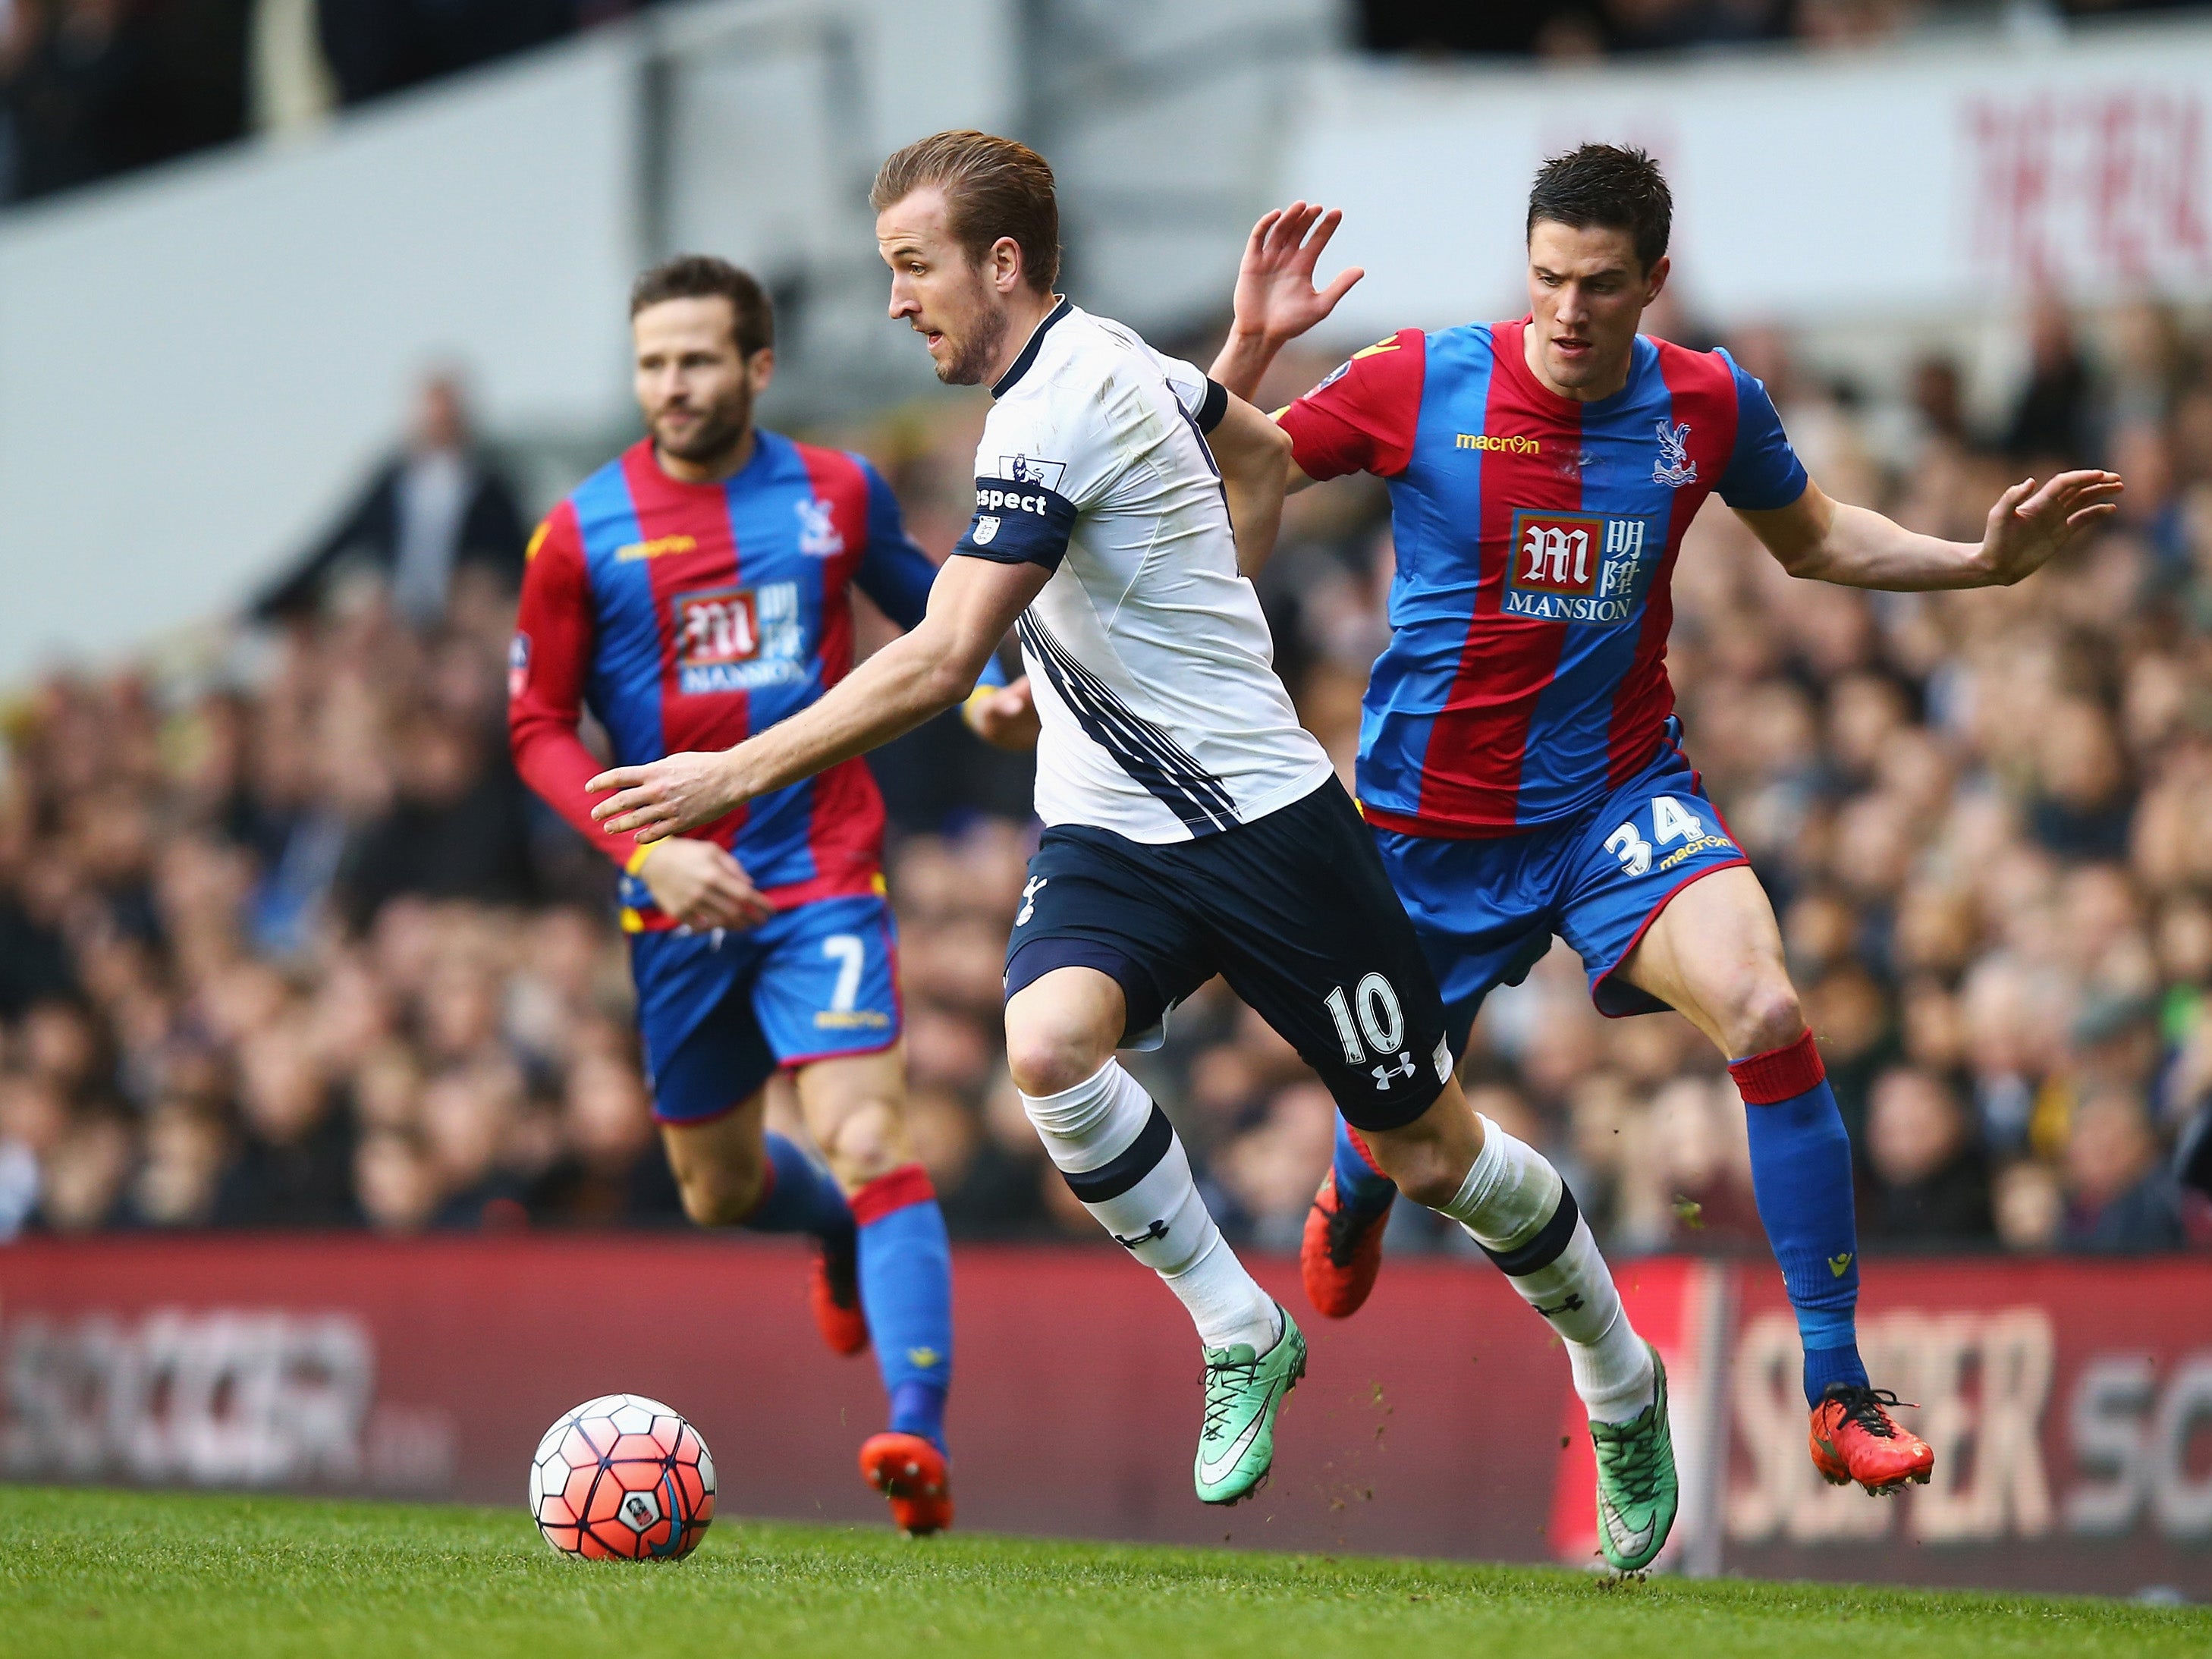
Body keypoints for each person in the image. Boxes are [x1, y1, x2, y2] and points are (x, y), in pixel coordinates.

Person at [586, 130, 1680, 1572]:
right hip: (1112, 826)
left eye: (913, 269)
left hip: (1269, 824)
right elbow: (1251, 439)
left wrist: (734, 766)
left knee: (1427, 1153)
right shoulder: (1108, 361)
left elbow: (944, 653)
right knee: (1044, 1046)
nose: (897, 301)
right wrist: (1239, 368)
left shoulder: (1062, 403)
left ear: (1000, 263)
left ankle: (1621, 1380)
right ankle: (1241, 1329)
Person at [1205, 146, 2123, 1497]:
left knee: (1761, 1005)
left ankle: (1834, 1386)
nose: (1569, 313)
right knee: (1410, 1130)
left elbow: (1812, 539)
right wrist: (1243, 350)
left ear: (1654, 283)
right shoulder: (1422, 379)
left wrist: (1977, 563)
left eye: (1600, 286)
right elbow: (1225, 466)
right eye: (1548, 281)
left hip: (1617, 800)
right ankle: (1362, 1176)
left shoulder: (1706, 401)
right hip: (1424, 833)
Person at [507, 256, 968, 1537]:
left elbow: (941, 622)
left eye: (698, 360)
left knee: (870, 1135)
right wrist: (646, 852)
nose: (672, 385)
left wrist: (995, 692)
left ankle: (916, 1436)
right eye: (653, 362)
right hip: (675, 898)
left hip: (822, 868)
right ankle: (828, 1231)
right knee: (713, 1187)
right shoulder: (579, 531)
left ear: (757, 367)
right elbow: (539, 726)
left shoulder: (835, 492)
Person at [256, 372, 527, 629]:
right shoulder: (394, 481)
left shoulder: (490, 486)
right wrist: (263, 603)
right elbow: (336, 539)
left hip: (462, 612)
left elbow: (518, 554)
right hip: (397, 613)